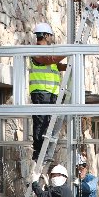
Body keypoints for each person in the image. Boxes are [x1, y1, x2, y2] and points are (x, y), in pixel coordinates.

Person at [29, 22, 67, 160]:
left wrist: (70, 65)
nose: (51, 38)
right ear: (45, 35)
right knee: (41, 122)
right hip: (41, 91)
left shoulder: (48, 52)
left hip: (51, 93)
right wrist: (69, 51)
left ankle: (45, 152)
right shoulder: (37, 51)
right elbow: (48, 60)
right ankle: (38, 152)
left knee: (49, 122)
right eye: (50, 35)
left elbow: (56, 65)